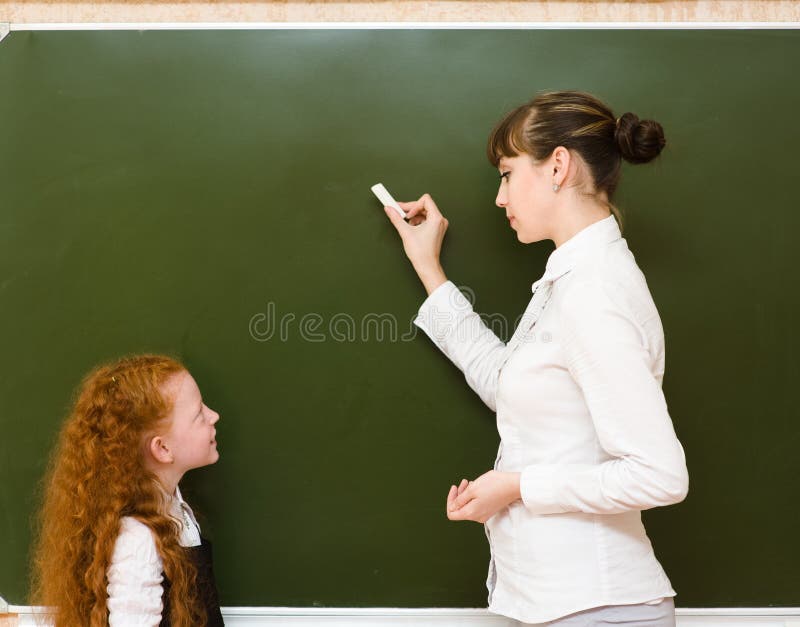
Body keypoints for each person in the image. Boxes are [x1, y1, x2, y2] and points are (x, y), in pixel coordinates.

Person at [383, 91, 689, 626]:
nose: (500, 198)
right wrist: (428, 266)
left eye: (506, 173)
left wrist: (518, 485)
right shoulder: (569, 281)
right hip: (565, 603)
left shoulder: (593, 292)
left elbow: (660, 475)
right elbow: (506, 383)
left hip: (598, 605)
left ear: (558, 166)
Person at [30, 354, 224, 627]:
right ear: (163, 449)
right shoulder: (138, 541)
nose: (214, 416)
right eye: (198, 415)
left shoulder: (172, 507)